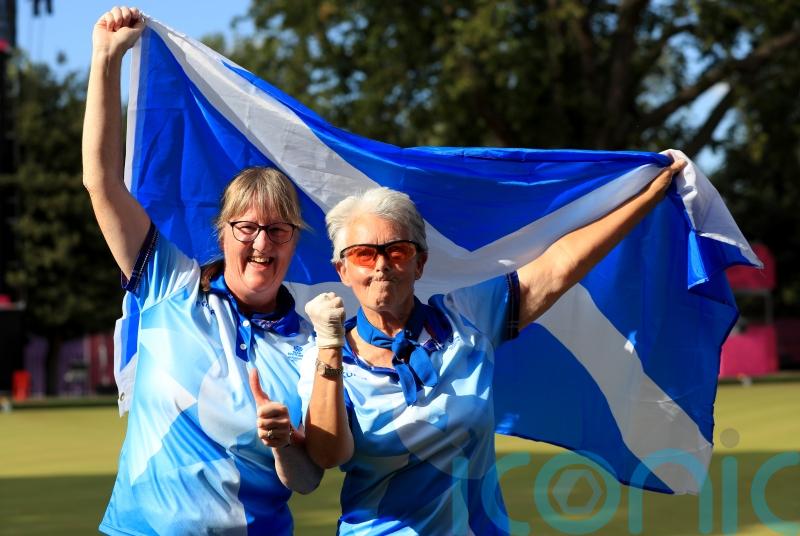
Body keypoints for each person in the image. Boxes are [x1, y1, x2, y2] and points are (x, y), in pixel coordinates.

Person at [294, 159, 686, 534]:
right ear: (342, 270)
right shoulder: (322, 353)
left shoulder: (467, 317)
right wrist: (330, 344)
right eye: (364, 254)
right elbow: (327, 455)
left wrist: (645, 195)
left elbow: (561, 264)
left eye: (397, 251)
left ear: (420, 263)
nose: (381, 265)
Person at [83, 7, 321, 535]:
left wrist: (285, 445)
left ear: (293, 242)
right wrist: (105, 61)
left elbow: (308, 479)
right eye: (247, 227)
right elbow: (101, 181)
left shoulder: (314, 345)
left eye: (278, 230)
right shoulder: (171, 282)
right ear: (221, 233)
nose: (262, 243)